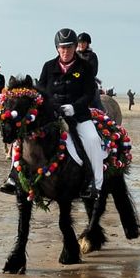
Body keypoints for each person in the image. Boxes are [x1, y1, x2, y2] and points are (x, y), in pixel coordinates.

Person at [38, 28, 103, 199]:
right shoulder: (48, 66)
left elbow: (89, 94)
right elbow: (41, 91)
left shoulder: (85, 67)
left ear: (75, 47)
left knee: (93, 140)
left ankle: (95, 184)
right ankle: (14, 178)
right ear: (57, 48)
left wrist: (75, 107)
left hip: (78, 116)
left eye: (69, 47)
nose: (65, 51)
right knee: (23, 138)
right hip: (52, 117)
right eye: (62, 47)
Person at [75, 32, 102, 110]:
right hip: (74, 84)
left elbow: (94, 72)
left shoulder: (92, 56)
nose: (81, 44)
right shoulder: (73, 55)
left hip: (89, 85)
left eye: (83, 42)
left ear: (87, 44)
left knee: (97, 104)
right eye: (79, 42)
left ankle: (104, 116)